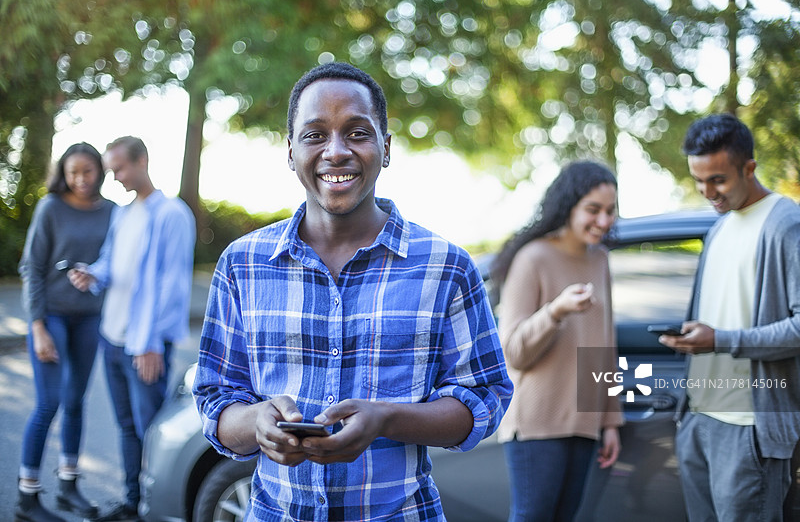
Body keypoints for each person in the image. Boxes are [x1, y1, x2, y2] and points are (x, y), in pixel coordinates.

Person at [192, 61, 513, 521]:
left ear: (386, 148)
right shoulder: (243, 265)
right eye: (315, 134)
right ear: (290, 151)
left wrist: (387, 418)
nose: (336, 151)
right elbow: (216, 398)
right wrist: (257, 423)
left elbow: (483, 398)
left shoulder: (446, 267)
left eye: (358, 133)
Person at [659, 113, 800, 521]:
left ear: (749, 168)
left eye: (718, 179)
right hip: (699, 421)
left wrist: (720, 340)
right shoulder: (719, 228)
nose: (708, 192)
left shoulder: (785, 225)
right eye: (699, 181)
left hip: (750, 427)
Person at [68, 136, 196, 521]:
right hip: (112, 338)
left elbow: (172, 287)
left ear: (142, 161)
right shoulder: (123, 213)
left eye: (120, 169)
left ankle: (153, 509)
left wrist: (152, 343)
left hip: (144, 346)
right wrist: (92, 274)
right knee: (126, 428)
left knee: (149, 431)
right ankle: (131, 503)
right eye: (111, 171)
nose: (115, 178)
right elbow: (110, 262)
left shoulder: (173, 214)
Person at [491, 161, 623, 522]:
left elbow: (604, 347)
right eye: (593, 210)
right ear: (568, 207)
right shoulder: (533, 258)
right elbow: (513, 352)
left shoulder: (600, 260)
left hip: (584, 421)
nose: (604, 220)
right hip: (537, 423)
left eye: (610, 211)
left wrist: (610, 420)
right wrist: (556, 311)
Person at [16, 142, 115, 522]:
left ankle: (68, 487)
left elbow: (113, 265)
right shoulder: (50, 208)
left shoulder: (112, 213)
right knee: (49, 403)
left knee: (76, 401)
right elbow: (31, 268)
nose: (81, 179)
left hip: (89, 318)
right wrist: (38, 327)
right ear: (64, 173)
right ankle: (27, 497)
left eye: (88, 171)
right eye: (73, 172)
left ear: (99, 172)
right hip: (52, 316)